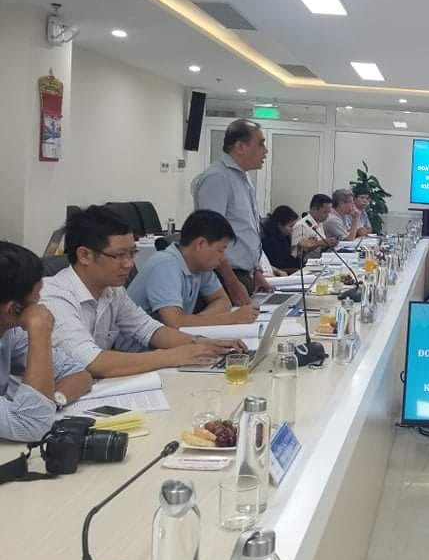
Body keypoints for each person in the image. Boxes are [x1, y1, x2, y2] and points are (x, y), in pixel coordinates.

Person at [41, 206, 243, 379]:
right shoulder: (55, 297)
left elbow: (150, 330)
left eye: (132, 253)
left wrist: (204, 343)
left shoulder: (113, 291)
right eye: (120, 255)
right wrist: (174, 355)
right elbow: (93, 362)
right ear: (85, 255)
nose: (129, 264)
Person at [0, 242, 92, 441]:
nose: (41, 306)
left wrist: (52, 401)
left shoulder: (8, 332)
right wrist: (39, 329)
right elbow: (31, 426)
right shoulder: (19, 325)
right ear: (13, 309)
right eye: (36, 301)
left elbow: (79, 373)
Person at [127, 210, 259, 328]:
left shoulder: (201, 267)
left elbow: (223, 301)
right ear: (201, 244)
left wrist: (195, 321)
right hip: (138, 346)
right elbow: (175, 323)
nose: (223, 258)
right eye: (220, 250)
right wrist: (230, 318)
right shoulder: (165, 265)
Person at [192, 119, 270, 305]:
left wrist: (256, 271)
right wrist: (232, 283)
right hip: (225, 276)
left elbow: (246, 229)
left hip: (245, 275)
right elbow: (211, 237)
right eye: (261, 144)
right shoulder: (217, 178)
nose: (265, 151)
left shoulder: (243, 178)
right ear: (240, 147)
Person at [260, 205, 302, 273]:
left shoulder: (285, 237)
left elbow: (292, 261)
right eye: (290, 226)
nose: (293, 229)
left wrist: (297, 248)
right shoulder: (270, 241)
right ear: (279, 225)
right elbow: (278, 265)